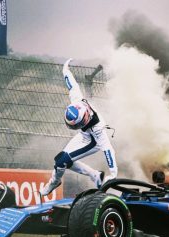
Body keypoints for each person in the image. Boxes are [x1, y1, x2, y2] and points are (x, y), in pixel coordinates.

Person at [40, 58, 117, 196]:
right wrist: (66, 70)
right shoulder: (78, 101)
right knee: (64, 161)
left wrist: (113, 173)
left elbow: (108, 150)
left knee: (61, 161)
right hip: (84, 135)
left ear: (85, 118)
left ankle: (54, 182)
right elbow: (72, 85)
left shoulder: (98, 128)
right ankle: (95, 175)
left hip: (92, 141)